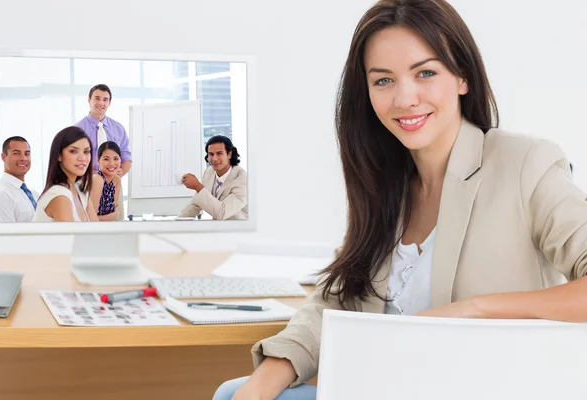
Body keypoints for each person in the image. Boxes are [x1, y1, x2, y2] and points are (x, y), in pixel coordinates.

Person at [214, 0, 587, 399]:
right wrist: (265, 380)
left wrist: (473, 311)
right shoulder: (385, 183)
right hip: (391, 385)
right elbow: (339, 300)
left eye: (425, 73)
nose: (405, 99)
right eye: (383, 80)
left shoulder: (525, 163)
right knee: (234, 392)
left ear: (462, 77)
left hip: (485, 387)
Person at [75, 84, 130, 220]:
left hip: (113, 186)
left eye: (105, 99)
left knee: (116, 225)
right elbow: (73, 161)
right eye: (97, 98)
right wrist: (94, 175)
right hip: (87, 185)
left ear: (109, 103)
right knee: (89, 223)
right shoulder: (77, 130)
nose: (101, 103)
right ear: (89, 100)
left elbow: (127, 157)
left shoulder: (118, 128)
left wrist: (118, 171)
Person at [33, 126, 99, 222]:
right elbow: (72, 236)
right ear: (59, 155)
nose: (82, 158)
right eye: (73, 151)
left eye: (86, 152)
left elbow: (97, 232)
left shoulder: (81, 191)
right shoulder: (59, 196)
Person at [179, 135, 247, 220]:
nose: (214, 158)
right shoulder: (209, 171)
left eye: (219, 153)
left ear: (229, 154)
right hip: (218, 229)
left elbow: (222, 212)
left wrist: (197, 186)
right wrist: (178, 221)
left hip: (239, 230)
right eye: (211, 154)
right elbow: (196, 204)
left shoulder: (242, 179)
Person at [0, 136, 39, 222]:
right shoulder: (0, 193)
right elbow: (7, 234)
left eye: (27, 153)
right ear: (3, 157)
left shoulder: (34, 194)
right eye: (16, 153)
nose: (24, 158)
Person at [89, 141, 122, 221]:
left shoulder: (116, 180)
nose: (112, 163)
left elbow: (116, 213)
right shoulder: (97, 179)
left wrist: (110, 217)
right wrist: (109, 218)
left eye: (116, 158)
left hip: (107, 229)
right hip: (92, 230)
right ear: (98, 161)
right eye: (106, 159)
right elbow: (90, 220)